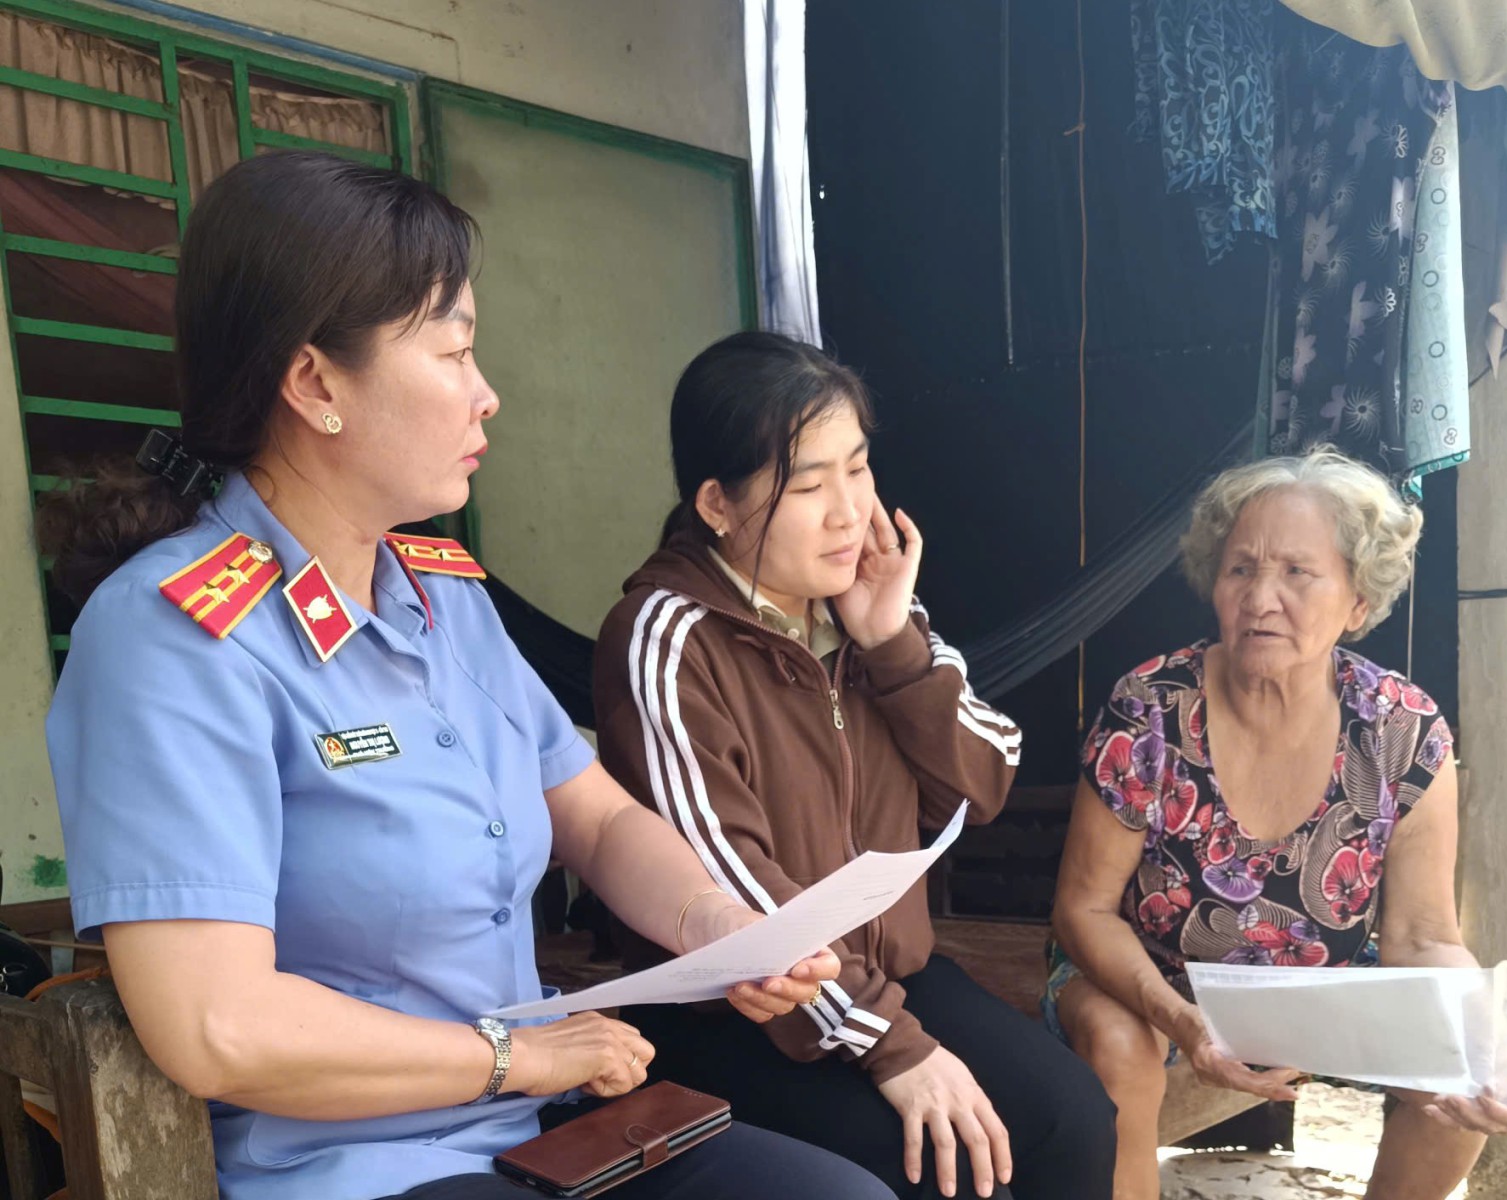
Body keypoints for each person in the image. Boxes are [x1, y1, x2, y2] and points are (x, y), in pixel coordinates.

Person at [38, 152, 897, 1200]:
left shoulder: (441, 598)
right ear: (315, 384)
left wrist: (719, 929)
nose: (488, 397)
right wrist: (516, 1056)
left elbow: (597, 820)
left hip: (531, 1136)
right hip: (351, 1170)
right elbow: (218, 1026)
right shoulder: (173, 638)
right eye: (454, 354)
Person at [592, 331, 1118, 1200]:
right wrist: (894, 1047)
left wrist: (893, 644)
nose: (847, 511)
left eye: (859, 468)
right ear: (717, 504)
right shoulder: (666, 639)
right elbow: (731, 881)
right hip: (740, 1008)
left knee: (1073, 1120)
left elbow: (986, 780)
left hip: (891, 976)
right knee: (946, 1171)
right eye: (807, 485)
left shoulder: (865, 603)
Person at [1048, 447, 1507, 1200]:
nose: (1260, 598)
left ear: (1358, 601)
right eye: (1241, 569)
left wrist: (1504, 1050)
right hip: (1150, 980)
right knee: (1120, 1045)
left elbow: (1423, 937)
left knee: (1465, 1066)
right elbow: (1083, 910)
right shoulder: (1151, 708)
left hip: (1324, 990)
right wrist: (1182, 1021)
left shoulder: (1401, 729)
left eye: (1296, 572)